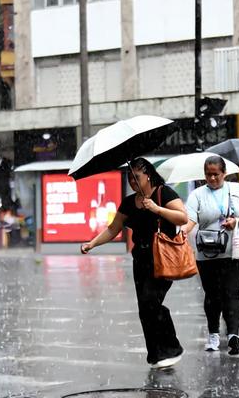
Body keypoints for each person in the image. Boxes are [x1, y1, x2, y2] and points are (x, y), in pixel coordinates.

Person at [81, 158, 188, 369]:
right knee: (144, 308)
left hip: (163, 256)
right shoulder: (129, 203)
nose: (132, 181)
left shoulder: (163, 193)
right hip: (140, 259)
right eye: (129, 177)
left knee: (151, 301)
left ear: (148, 175)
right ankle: (156, 355)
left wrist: (157, 209)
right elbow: (113, 229)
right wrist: (92, 243)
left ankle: (172, 347)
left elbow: (182, 218)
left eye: (136, 177)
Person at [182, 155, 239, 356]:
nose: (212, 178)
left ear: (224, 173)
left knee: (232, 293)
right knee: (212, 296)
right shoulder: (197, 195)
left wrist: (237, 221)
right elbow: (190, 220)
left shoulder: (237, 190)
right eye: (208, 174)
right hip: (207, 254)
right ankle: (213, 334)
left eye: (216, 174)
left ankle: (233, 335)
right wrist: (181, 231)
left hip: (234, 252)